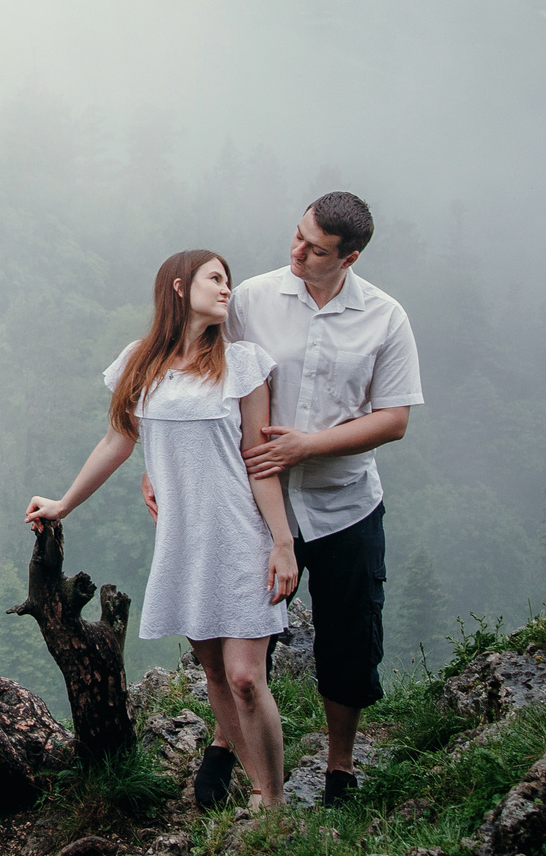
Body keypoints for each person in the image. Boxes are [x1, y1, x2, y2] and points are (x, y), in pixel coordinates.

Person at [148, 191, 420, 809]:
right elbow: (196, 372)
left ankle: (340, 768)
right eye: (297, 236)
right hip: (249, 503)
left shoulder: (385, 317)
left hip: (344, 501)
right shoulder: (251, 300)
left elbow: (395, 418)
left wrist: (307, 447)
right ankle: (225, 744)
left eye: (315, 249)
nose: (297, 251)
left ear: (348, 257)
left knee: (348, 638)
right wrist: (157, 465)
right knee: (245, 634)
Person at [27, 250, 301, 809]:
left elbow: (258, 458)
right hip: (183, 544)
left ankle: (273, 803)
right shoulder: (139, 363)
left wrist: (282, 542)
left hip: (243, 536)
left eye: (229, 280)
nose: (228, 289)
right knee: (217, 679)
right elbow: (118, 442)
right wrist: (64, 504)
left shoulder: (243, 363)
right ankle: (254, 788)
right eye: (215, 278)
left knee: (247, 676)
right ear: (180, 286)